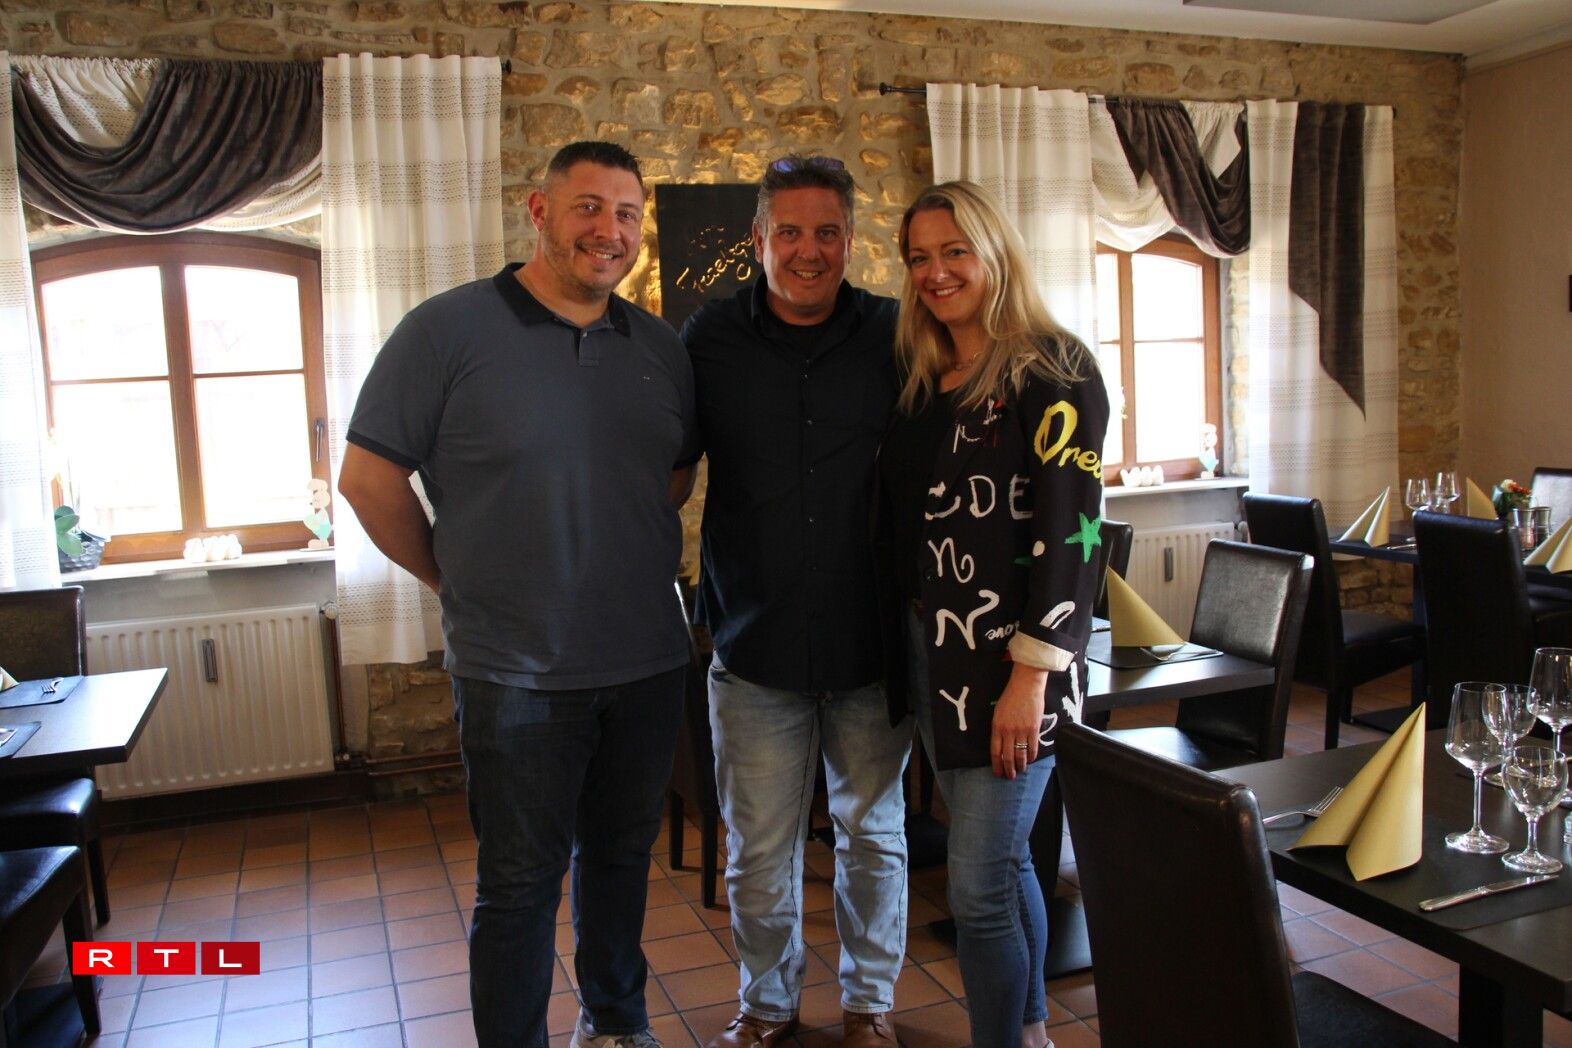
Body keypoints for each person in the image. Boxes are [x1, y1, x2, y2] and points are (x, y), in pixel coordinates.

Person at [337, 140, 698, 1048]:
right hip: (515, 673)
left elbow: (673, 476)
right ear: (539, 213)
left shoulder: (660, 346)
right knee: (519, 886)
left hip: (647, 662)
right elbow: (368, 481)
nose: (608, 231)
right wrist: (452, 577)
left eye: (626, 214)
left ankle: (615, 1024)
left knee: (621, 863)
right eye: (588, 207)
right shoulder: (444, 332)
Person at [679, 155, 911, 1048]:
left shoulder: (897, 334)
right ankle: (767, 1005)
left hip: (869, 642)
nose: (808, 250)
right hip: (755, 642)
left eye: (826, 232)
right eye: (789, 232)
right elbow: (664, 464)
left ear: (851, 238)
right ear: (759, 239)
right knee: (757, 852)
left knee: (874, 839)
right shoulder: (708, 339)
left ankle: (870, 1004)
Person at [876, 181, 1108, 1048]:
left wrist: (1032, 676)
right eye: (919, 258)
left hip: (1013, 667)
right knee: (1004, 869)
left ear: (995, 253)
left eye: (954, 252)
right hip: (931, 652)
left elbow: (1074, 534)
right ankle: (1033, 1027)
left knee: (975, 889)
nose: (935, 272)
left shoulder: (1054, 369)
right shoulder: (923, 378)